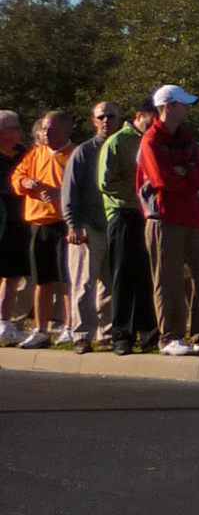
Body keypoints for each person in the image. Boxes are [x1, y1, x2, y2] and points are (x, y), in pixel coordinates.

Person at [134, 85, 199, 356]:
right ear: (168, 106)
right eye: (184, 104)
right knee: (168, 280)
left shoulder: (187, 138)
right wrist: (184, 176)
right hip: (163, 218)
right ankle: (171, 337)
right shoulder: (150, 140)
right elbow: (161, 180)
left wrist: (184, 174)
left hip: (192, 216)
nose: (189, 108)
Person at [9, 109, 73, 348]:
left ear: (66, 129)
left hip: (65, 223)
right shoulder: (35, 155)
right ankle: (41, 329)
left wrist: (60, 193)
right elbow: (17, 177)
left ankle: (70, 327)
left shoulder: (75, 154)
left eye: (51, 129)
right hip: (38, 223)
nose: (46, 133)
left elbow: (86, 188)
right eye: (44, 129)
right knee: (42, 280)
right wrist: (26, 182)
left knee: (67, 280)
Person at [97, 101, 156, 353]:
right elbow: (106, 183)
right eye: (150, 121)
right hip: (122, 215)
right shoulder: (118, 142)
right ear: (139, 116)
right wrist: (137, 194)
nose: (154, 126)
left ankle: (149, 334)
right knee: (122, 277)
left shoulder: (153, 141)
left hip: (146, 217)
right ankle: (121, 336)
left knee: (146, 277)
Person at [60, 101, 118, 353]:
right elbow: (68, 191)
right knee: (84, 283)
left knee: (110, 284)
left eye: (111, 116)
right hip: (87, 227)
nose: (106, 120)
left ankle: (107, 335)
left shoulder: (122, 148)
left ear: (119, 119)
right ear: (94, 121)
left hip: (114, 226)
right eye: (101, 116)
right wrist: (73, 224)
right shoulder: (83, 152)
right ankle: (82, 335)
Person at [0, 111, 25, 341]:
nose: (19, 131)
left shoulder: (23, 155)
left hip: (17, 222)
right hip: (1, 219)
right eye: (15, 127)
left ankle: (4, 323)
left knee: (13, 275)